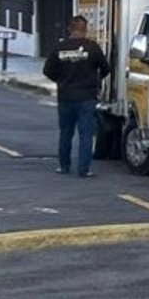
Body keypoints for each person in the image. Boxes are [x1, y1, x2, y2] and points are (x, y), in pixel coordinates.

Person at [44, 15, 109, 177]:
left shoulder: (59, 48)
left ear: (69, 29)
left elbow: (47, 71)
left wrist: (60, 80)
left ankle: (64, 166)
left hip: (65, 96)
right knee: (86, 134)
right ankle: (84, 169)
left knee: (66, 133)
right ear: (85, 30)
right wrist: (96, 81)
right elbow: (106, 68)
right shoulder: (92, 47)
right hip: (87, 97)